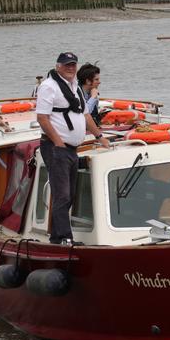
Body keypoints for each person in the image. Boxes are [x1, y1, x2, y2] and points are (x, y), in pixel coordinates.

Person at [35, 52, 109, 245]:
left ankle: (57, 236)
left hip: (71, 149)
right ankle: (64, 238)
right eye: (66, 65)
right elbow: (42, 118)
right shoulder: (48, 87)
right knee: (62, 194)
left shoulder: (75, 87)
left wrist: (100, 137)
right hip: (56, 148)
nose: (70, 68)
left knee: (70, 195)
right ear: (58, 66)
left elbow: (86, 115)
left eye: (73, 65)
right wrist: (58, 142)